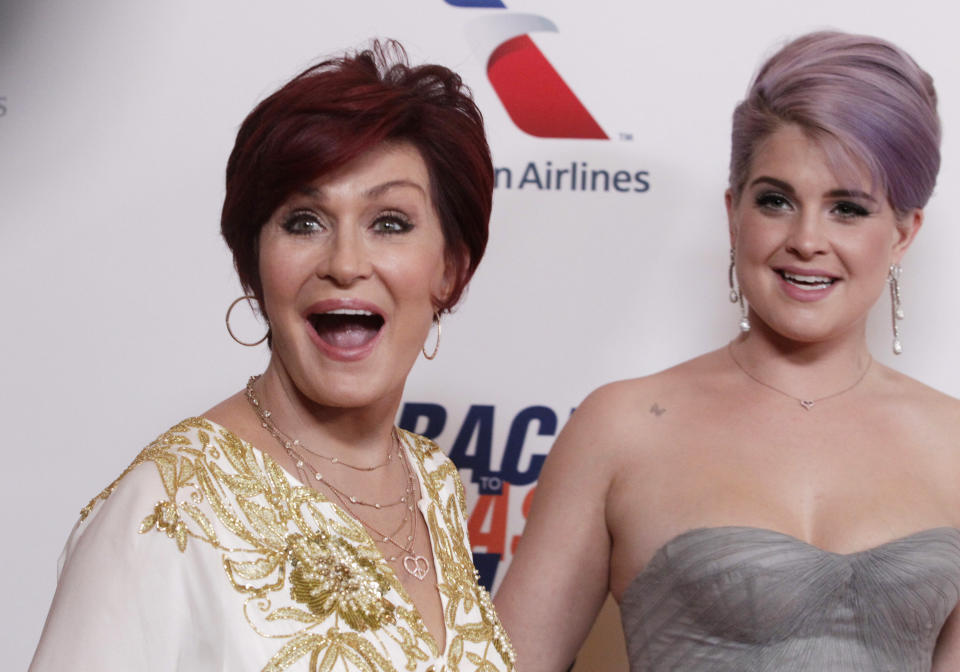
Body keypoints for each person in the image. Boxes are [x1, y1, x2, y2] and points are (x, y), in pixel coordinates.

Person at [29, 41, 514, 672]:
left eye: (389, 222)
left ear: (449, 269)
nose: (344, 263)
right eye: (304, 222)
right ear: (254, 268)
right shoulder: (170, 507)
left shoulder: (431, 483)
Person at [495, 31, 960, 671]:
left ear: (904, 233)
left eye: (847, 209)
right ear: (732, 212)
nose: (806, 239)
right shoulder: (621, 428)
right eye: (776, 201)